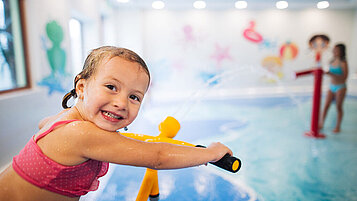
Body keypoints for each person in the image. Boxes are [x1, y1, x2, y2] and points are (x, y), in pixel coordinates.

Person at [0, 46, 233, 201]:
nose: (121, 103)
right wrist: (211, 153)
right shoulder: (81, 134)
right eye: (111, 87)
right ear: (81, 87)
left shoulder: (65, 122)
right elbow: (158, 156)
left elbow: (44, 124)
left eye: (134, 97)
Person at [320, 44, 348, 133]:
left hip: (340, 87)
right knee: (326, 106)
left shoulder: (343, 62)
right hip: (331, 86)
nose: (334, 51)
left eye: (337, 50)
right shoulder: (331, 61)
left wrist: (330, 74)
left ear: (341, 51)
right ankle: (321, 124)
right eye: (334, 50)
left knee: (338, 107)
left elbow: (344, 77)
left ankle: (338, 126)